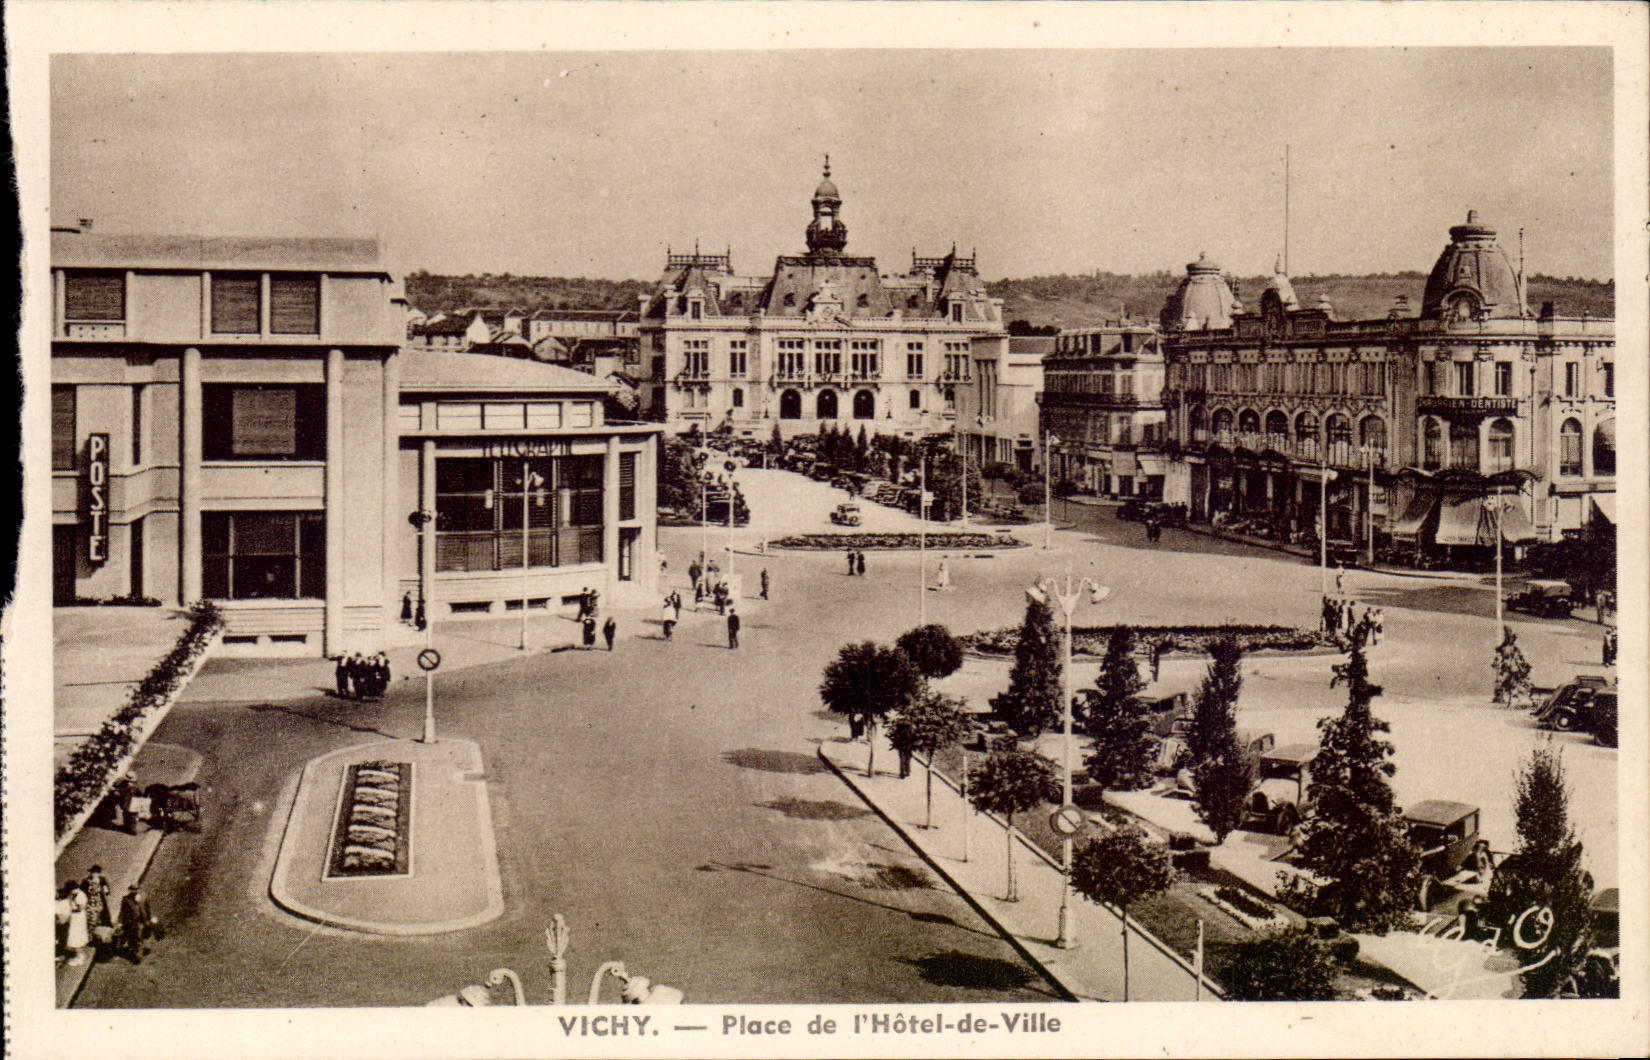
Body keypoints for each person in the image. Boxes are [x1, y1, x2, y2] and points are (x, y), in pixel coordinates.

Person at [116, 884, 155, 964]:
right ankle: (137, 954)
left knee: (143, 935)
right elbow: (122, 912)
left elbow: (148, 908)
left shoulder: (143, 897)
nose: (134, 893)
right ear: (130, 891)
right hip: (132, 923)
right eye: (132, 891)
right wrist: (120, 922)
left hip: (143, 921)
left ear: (138, 890)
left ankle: (140, 950)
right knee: (135, 937)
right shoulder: (126, 899)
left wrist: (150, 918)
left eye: (136, 891)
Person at [83, 865, 113, 933]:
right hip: (90, 900)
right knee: (90, 914)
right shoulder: (86, 881)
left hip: (99, 899)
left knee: (102, 912)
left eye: (97, 873)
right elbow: (83, 890)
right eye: (93, 872)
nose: (95, 874)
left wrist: (106, 891)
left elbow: (106, 888)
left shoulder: (102, 879)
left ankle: (102, 927)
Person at [65, 882, 90, 965]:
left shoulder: (80, 895)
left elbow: (80, 908)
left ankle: (80, 958)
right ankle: (80, 956)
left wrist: (70, 910)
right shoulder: (76, 894)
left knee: (77, 937)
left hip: (78, 918)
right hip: (76, 918)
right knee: (77, 937)